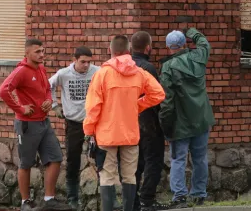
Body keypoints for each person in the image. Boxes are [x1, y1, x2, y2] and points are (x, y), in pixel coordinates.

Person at [84, 35, 165, 211]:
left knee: (107, 177)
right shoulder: (139, 73)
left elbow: (93, 107)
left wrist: (89, 130)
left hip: (106, 135)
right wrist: (137, 105)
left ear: (110, 51)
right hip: (130, 133)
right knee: (129, 176)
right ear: (128, 50)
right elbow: (158, 94)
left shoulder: (102, 74)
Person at [0, 38, 71, 211]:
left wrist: (48, 100)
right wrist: (20, 108)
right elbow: (3, 90)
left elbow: (47, 89)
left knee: (55, 158)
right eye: (37, 51)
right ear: (27, 53)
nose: (42, 54)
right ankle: (25, 202)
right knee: (26, 163)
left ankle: (49, 199)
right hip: (27, 125)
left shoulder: (41, 69)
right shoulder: (21, 71)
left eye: (42, 51)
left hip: (44, 122)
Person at [159, 28, 215, 208]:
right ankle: (199, 194)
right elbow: (204, 43)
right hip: (202, 119)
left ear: (168, 47)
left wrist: (165, 124)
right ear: (184, 44)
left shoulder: (168, 67)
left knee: (178, 159)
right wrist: (192, 31)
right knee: (200, 158)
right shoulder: (199, 57)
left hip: (180, 123)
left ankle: (180, 196)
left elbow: (167, 100)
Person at [49, 46, 100, 208]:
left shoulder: (97, 72)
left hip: (94, 122)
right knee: (72, 159)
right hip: (74, 124)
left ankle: (106, 195)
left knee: (102, 158)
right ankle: (72, 198)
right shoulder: (64, 74)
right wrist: (55, 105)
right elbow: (48, 86)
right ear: (75, 60)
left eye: (89, 62)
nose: (86, 65)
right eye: (83, 62)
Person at [129, 32, 164, 211]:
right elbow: (157, 96)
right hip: (148, 121)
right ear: (148, 47)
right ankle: (147, 200)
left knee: (135, 163)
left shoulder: (125, 66)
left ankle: (133, 200)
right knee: (153, 160)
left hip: (128, 121)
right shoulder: (148, 68)